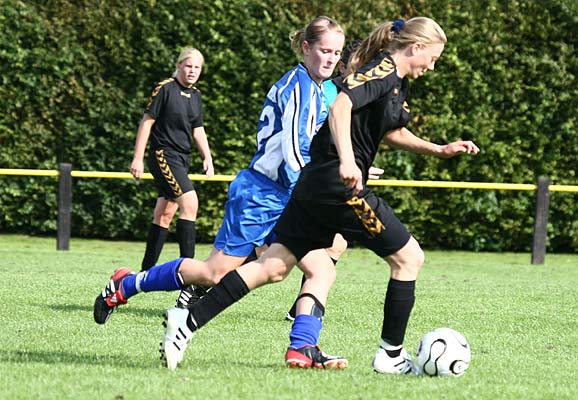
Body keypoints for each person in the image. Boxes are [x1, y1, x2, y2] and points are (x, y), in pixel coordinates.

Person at [158, 16, 480, 372]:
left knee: (272, 267)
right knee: (408, 258)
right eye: (433, 58)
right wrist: (348, 161)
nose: (432, 66)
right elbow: (340, 106)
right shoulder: (384, 71)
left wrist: (438, 149)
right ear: (416, 47)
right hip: (338, 188)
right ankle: (390, 356)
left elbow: (390, 131)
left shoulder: (396, 82)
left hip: (314, 186)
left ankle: (186, 321)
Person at [93, 16, 347, 325]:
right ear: (306, 48)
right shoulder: (299, 87)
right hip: (263, 194)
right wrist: (325, 183)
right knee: (214, 272)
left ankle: (302, 346)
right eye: (325, 51)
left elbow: (309, 148)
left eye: (336, 52)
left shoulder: (315, 88)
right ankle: (127, 284)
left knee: (321, 268)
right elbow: (295, 152)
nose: (331, 59)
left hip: (284, 194)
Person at [284, 38, 365, 322]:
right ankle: (201, 284)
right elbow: (309, 141)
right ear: (343, 67)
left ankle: (302, 309)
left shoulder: (354, 95)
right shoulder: (328, 92)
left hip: (320, 178)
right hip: (301, 179)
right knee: (269, 255)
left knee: (335, 245)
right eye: (358, 67)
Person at [130, 48, 214, 272]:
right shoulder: (165, 88)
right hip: (163, 155)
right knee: (190, 203)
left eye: (197, 67)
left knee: (164, 215)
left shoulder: (196, 95)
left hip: (182, 159)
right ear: (179, 66)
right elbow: (147, 122)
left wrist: (207, 157)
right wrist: (137, 158)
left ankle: (145, 272)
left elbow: (198, 129)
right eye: (188, 66)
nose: (192, 71)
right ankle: (189, 273)